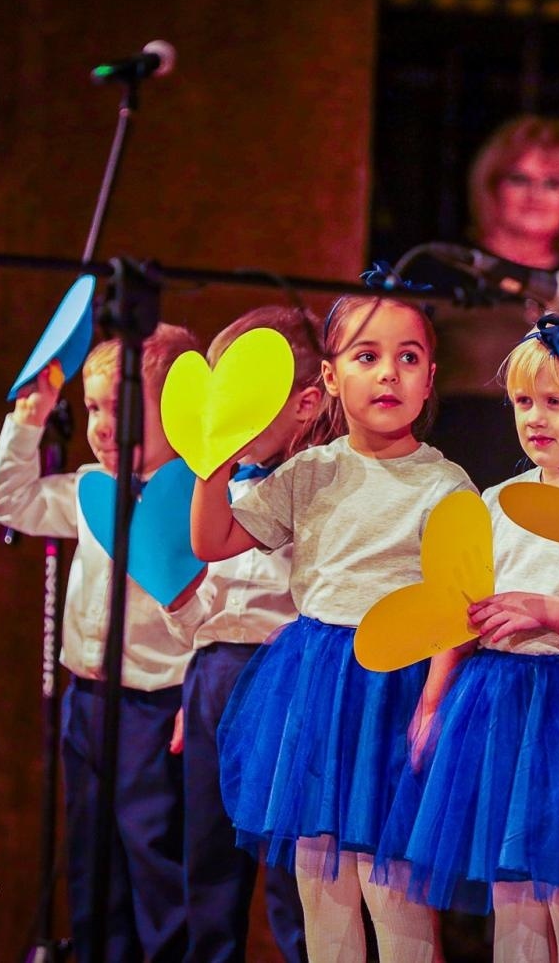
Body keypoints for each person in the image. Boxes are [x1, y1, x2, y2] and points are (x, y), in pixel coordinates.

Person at [191, 293, 473, 962]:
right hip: (317, 685)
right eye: (366, 357)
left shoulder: (445, 485)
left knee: (396, 898)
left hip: (396, 688)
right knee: (323, 895)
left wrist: (433, 703)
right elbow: (212, 540)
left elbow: (455, 610)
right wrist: (213, 462)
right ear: (330, 377)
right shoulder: (311, 471)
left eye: (408, 358)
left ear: (430, 378)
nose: (388, 373)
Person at [375, 304, 559, 962]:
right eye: (524, 402)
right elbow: (461, 614)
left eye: (554, 402)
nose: (534, 417)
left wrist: (551, 611)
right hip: (495, 707)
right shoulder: (495, 503)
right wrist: (431, 703)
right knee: (514, 895)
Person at [0, 322, 202, 961]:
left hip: (155, 707)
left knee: (155, 857)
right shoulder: (91, 489)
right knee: (90, 855)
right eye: (94, 409)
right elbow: (10, 503)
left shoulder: (199, 501)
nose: (104, 428)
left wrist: (195, 696)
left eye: (122, 410)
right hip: (86, 700)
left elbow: (214, 611)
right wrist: (29, 419)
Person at [171, 305, 321, 963]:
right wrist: (192, 677)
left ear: (305, 405)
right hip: (212, 675)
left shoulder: (317, 484)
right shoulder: (219, 485)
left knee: (290, 862)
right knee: (207, 857)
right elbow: (207, 593)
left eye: (249, 402)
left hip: (282, 673)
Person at [422, 116, 559, 487]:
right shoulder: (442, 277)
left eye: (553, 183)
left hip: (557, 484)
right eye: (519, 179)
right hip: (451, 473)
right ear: (491, 188)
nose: (535, 195)